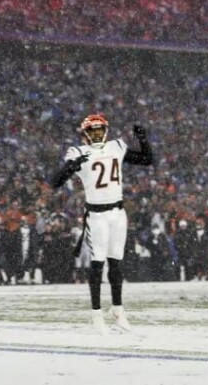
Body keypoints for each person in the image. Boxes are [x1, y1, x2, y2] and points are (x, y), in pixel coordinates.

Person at [48, 113, 153, 335]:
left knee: (116, 263)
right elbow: (54, 182)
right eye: (92, 131)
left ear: (105, 130)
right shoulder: (78, 152)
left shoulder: (116, 146)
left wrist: (143, 140)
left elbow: (147, 160)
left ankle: (118, 310)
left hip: (117, 212)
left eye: (99, 130)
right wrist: (71, 167)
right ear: (85, 134)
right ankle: (96, 314)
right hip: (96, 215)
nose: (96, 134)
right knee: (97, 264)